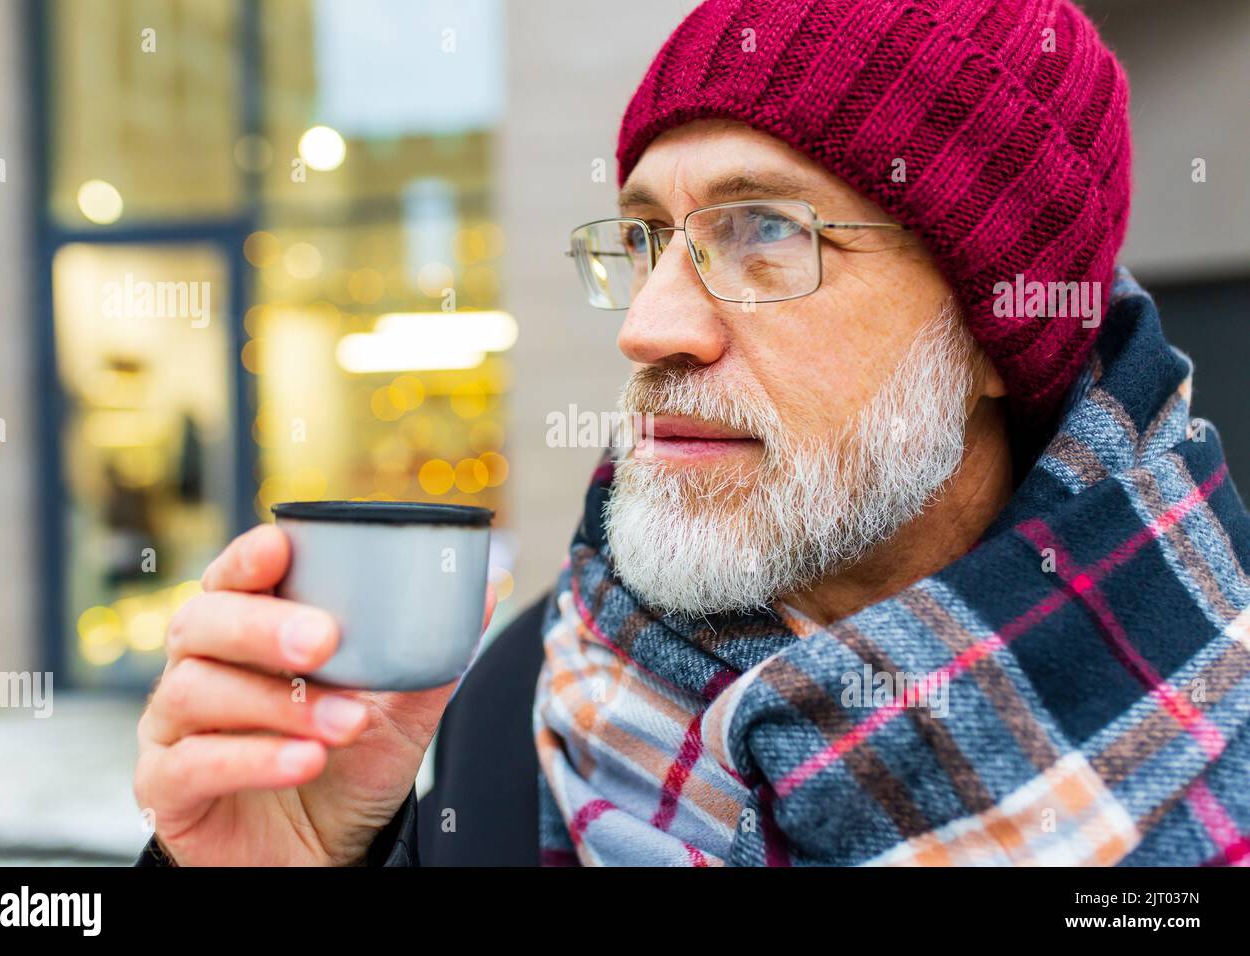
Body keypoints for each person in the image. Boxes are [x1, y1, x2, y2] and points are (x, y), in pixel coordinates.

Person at [134, 0, 1250, 867]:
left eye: (763, 229)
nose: (647, 324)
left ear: (991, 330)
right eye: (644, 237)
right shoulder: (526, 688)